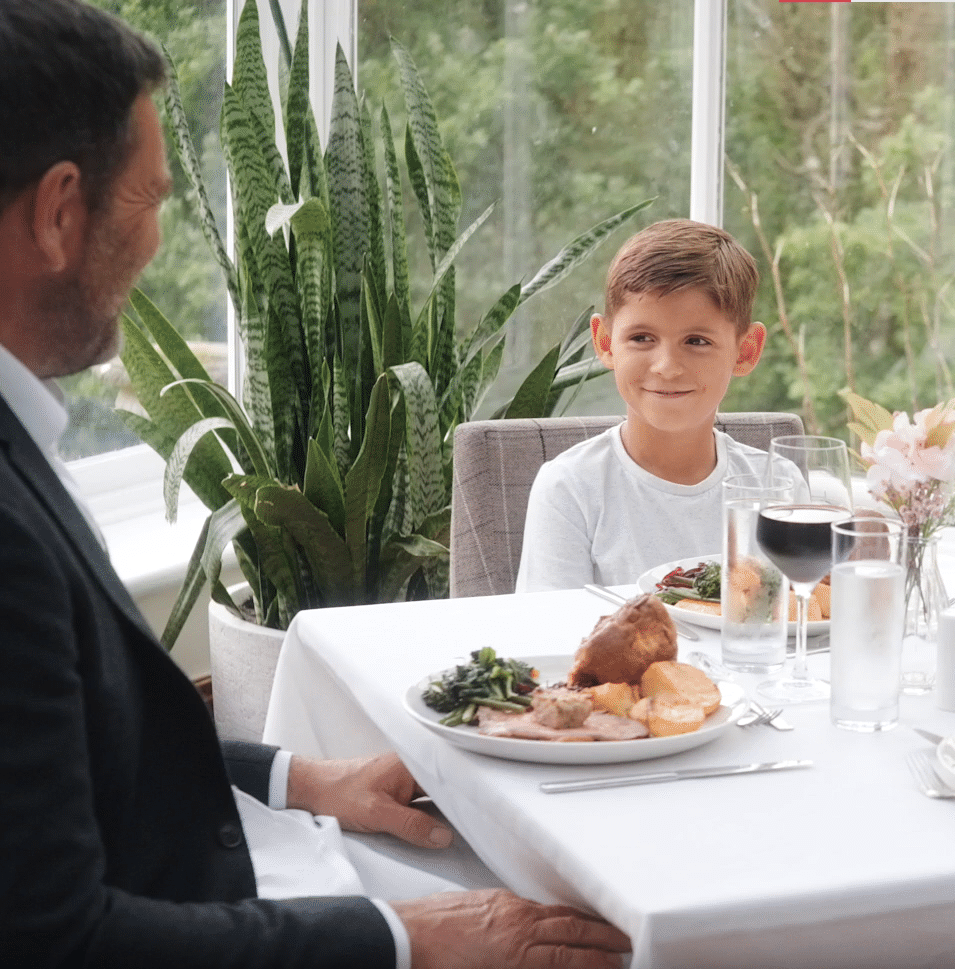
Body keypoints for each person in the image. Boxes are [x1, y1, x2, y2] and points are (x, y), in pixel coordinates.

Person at [0, 2, 630, 966]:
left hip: (255, 851)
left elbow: (71, 755)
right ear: (56, 212)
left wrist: (302, 776)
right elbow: (58, 940)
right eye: (151, 199)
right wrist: (403, 940)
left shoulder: (19, 434)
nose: (160, 241)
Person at [514, 218, 778, 592]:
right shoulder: (569, 489)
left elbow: (800, 623)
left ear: (745, 351)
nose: (667, 367)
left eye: (697, 341)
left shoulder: (777, 487)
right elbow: (552, 638)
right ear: (605, 343)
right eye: (641, 338)